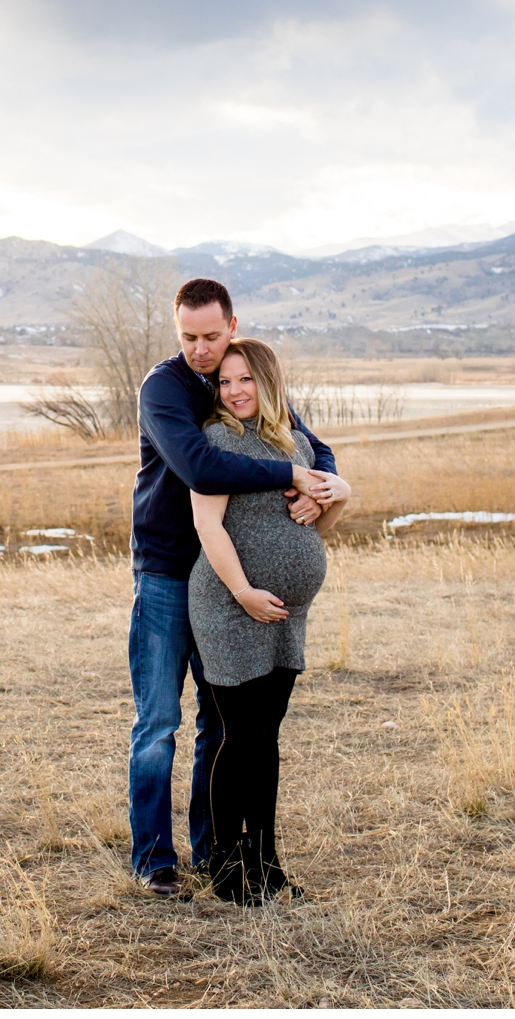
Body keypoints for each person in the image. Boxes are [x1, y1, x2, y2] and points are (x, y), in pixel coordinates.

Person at [127, 278, 350, 898]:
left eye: (210, 336)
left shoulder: (243, 372)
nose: (201, 351)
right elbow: (202, 467)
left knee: (218, 728)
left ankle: (215, 852)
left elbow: (313, 447)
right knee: (159, 721)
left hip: (235, 585)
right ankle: (154, 858)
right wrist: (290, 475)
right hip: (173, 568)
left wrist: (332, 487)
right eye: (188, 337)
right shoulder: (165, 389)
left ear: (232, 325)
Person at [189, 337, 344, 903]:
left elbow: (309, 531)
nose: (233, 392)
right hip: (229, 604)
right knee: (239, 736)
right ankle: (228, 870)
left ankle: (268, 861)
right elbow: (209, 527)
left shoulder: (296, 443)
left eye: (244, 380)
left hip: (284, 612)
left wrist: (333, 505)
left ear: (268, 380)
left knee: (267, 737)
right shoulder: (218, 439)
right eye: (224, 382)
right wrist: (245, 592)